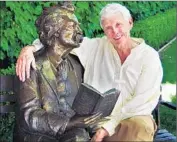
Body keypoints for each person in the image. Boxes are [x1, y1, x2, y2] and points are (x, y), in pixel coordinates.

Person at [16, 2, 163, 142]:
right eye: (108, 28)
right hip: (94, 124)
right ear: (104, 31)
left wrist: (107, 128)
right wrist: (29, 49)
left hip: (128, 121)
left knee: (140, 126)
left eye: (119, 25)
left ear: (130, 23)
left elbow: (142, 102)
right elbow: (54, 40)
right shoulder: (95, 48)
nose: (115, 32)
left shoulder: (149, 57)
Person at [14, 3, 103, 142]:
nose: (79, 31)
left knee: (79, 138)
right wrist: (69, 123)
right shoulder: (30, 64)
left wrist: (90, 119)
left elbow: (75, 108)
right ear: (54, 30)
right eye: (72, 26)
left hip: (68, 132)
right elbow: (29, 116)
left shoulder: (76, 64)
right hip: (36, 135)